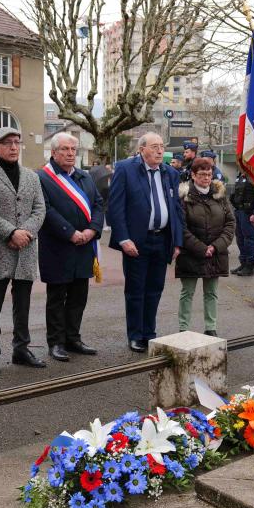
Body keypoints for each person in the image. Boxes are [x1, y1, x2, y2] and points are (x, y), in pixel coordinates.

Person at [0, 127, 46, 378]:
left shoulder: (31, 177)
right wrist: (10, 232)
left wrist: (25, 232)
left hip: (25, 247)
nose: (14, 147)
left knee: (23, 304)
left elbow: (40, 209)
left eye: (17, 142)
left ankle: (21, 349)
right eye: (7, 143)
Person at [107, 132, 184, 352]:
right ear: (142, 150)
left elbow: (176, 210)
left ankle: (149, 333)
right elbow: (115, 207)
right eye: (154, 147)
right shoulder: (125, 169)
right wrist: (123, 238)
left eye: (162, 146)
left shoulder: (170, 172)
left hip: (162, 240)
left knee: (155, 290)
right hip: (136, 242)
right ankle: (135, 335)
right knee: (135, 291)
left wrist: (177, 241)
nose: (160, 151)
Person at [37, 133, 104, 362]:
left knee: (78, 296)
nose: (70, 154)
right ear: (54, 152)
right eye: (64, 149)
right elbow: (46, 210)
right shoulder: (43, 178)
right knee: (57, 298)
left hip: (84, 246)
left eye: (73, 150)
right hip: (58, 247)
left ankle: (73, 338)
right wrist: (71, 233)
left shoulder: (85, 177)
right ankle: (55, 342)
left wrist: (92, 230)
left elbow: (98, 205)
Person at [176, 157, 235, 336]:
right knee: (187, 292)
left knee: (211, 293)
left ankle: (211, 328)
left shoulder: (220, 196)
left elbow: (230, 224)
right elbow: (182, 228)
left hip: (215, 253)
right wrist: (202, 248)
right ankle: (183, 328)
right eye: (202, 175)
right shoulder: (184, 197)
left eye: (209, 174)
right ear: (193, 175)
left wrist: (215, 247)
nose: (206, 178)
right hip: (191, 253)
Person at [229, 169, 254, 276]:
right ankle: (243, 263)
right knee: (240, 238)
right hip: (239, 211)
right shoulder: (241, 176)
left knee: (248, 239)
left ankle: (250, 266)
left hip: (249, 213)